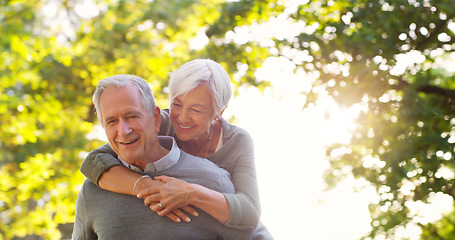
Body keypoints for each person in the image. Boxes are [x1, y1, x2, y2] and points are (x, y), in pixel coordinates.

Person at [81, 59, 262, 229]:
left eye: (196, 109)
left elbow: (250, 212)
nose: (182, 118)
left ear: (219, 112)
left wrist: (192, 193)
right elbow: (94, 161)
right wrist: (146, 187)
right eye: (177, 104)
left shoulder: (237, 141)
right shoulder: (161, 123)